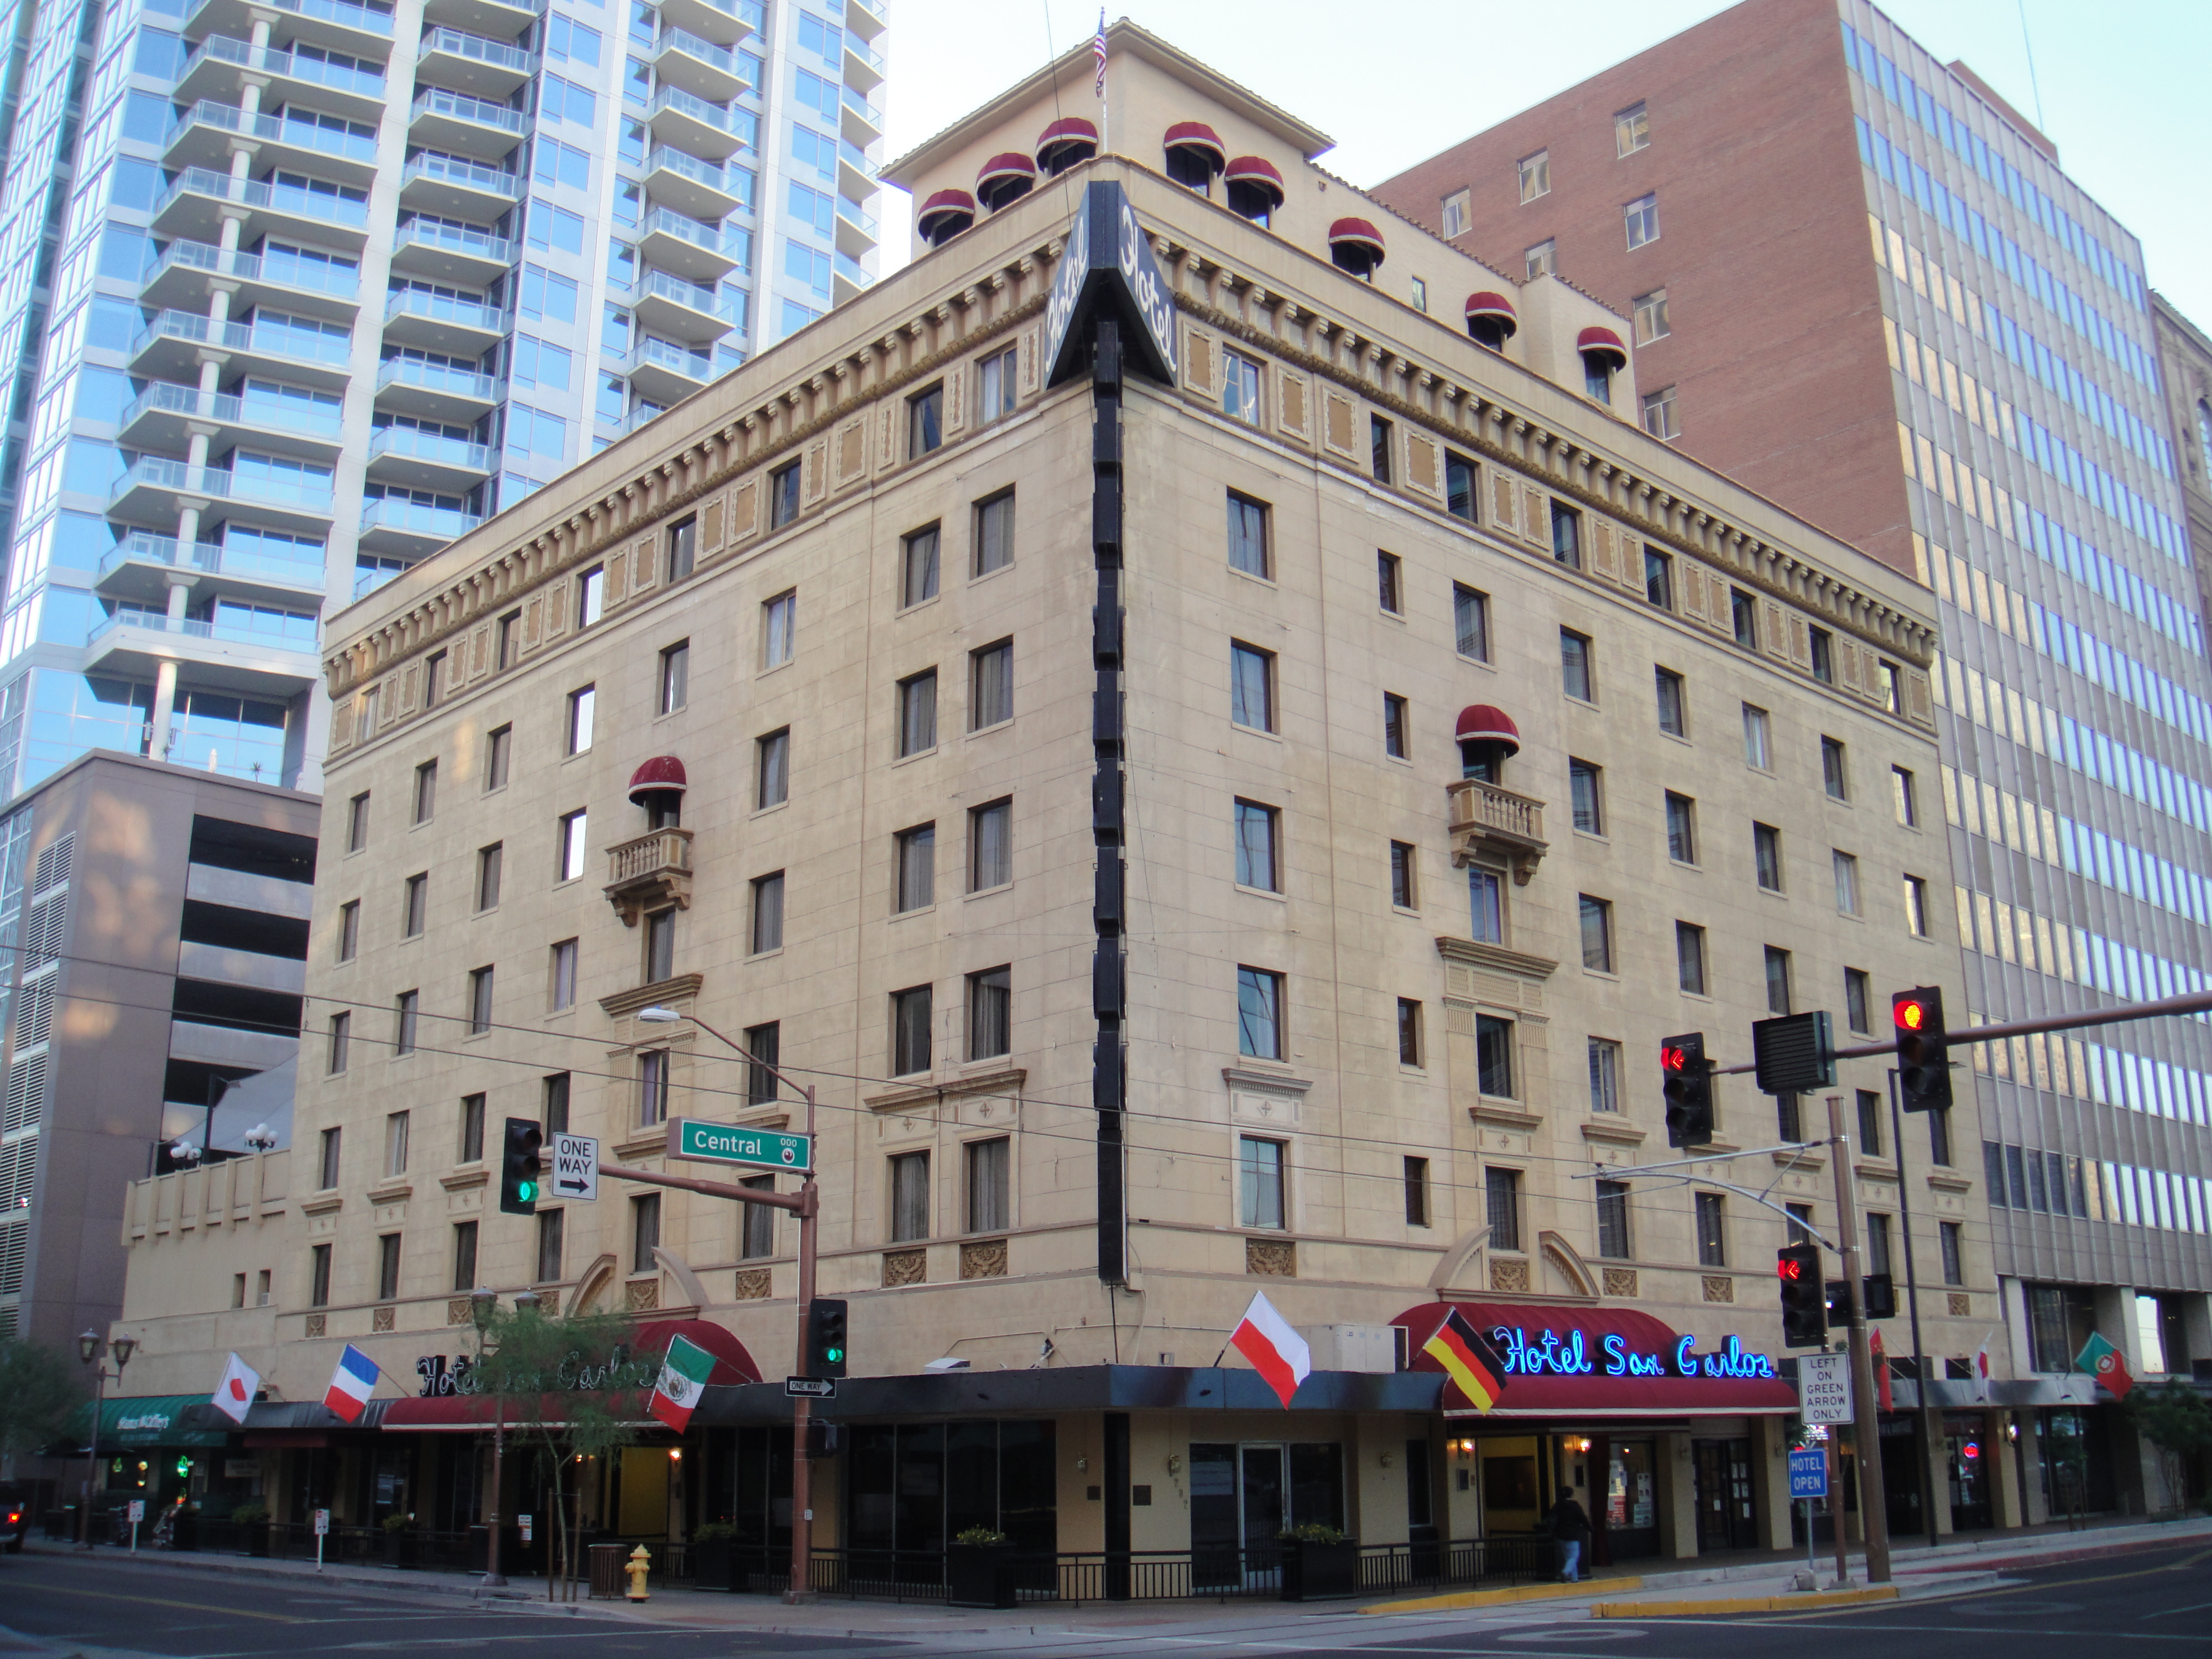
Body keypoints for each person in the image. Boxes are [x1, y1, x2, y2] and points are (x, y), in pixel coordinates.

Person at [1547, 1484, 1592, 1583]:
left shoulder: (1557, 1506)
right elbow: (1583, 1519)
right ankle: (1566, 1572)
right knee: (1574, 1557)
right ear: (1571, 1494)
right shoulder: (1575, 1506)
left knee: (1569, 1557)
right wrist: (1590, 1529)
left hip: (1561, 1535)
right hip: (1573, 1535)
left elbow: (1551, 1518)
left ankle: (1574, 1578)